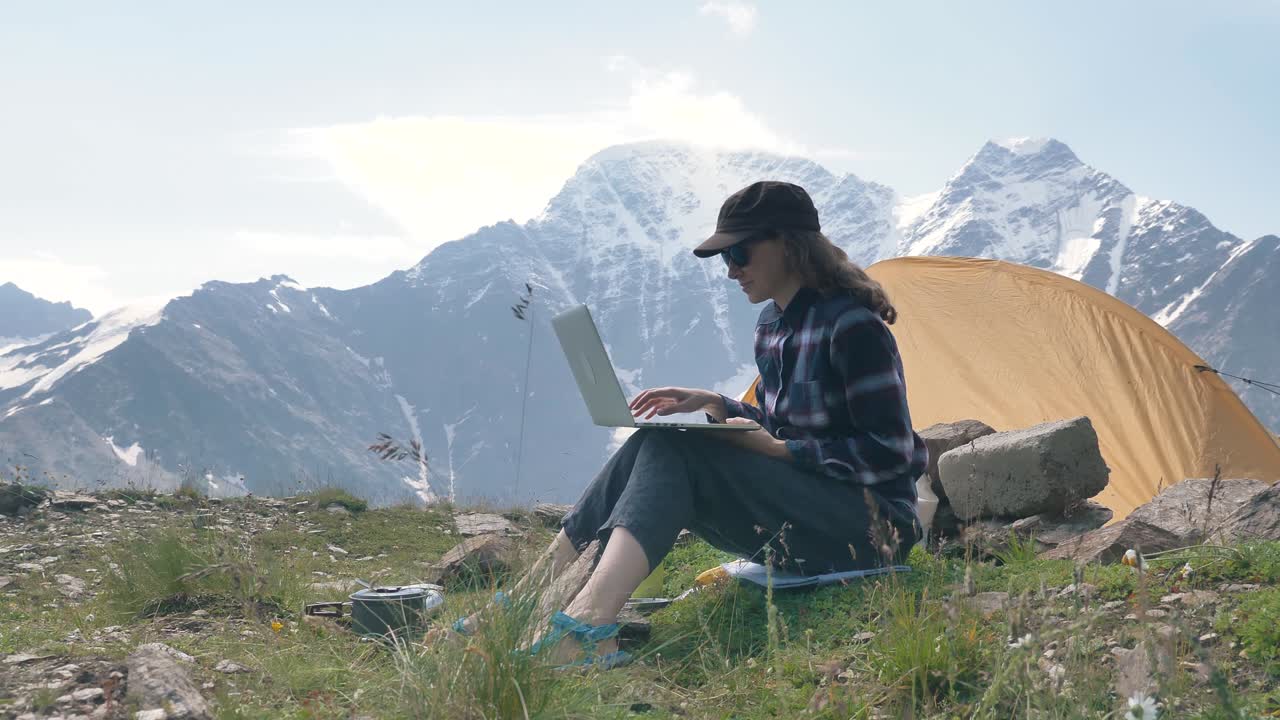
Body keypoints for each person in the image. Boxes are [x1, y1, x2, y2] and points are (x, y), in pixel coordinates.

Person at [454, 180, 927, 668]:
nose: (731, 271)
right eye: (726, 259)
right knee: (652, 441)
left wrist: (784, 453)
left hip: (873, 529)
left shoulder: (853, 327)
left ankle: (589, 624)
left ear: (788, 244)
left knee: (675, 451)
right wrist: (719, 406)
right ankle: (524, 603)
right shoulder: (772, 326)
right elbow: (788, 425)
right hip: (810, 511)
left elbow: (890, 451)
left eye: (740, 253)